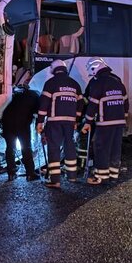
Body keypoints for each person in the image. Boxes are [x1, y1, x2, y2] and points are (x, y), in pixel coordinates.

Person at [36, 59, 83, 188]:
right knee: (70, 147)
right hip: (70, 123)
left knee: (54, 149)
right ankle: (72, 176)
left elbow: (43, 105)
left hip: (54, 122)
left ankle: (55, 180)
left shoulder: (50, 83)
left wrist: (39, 121)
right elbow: (80, 104)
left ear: (53, 70)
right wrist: (76, 120)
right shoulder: (75, 84)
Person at [81, 58, 128, 185]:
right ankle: (114, 176)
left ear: (95, 68)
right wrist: (124, 118)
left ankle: (101, 177)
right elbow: (125, 101)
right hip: (119, 123)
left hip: (105, 123)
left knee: (101, 148)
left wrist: (87, 123)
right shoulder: (117, 81)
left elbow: (92, 105)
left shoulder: (98, 83)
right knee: (115, 149)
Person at [0, 86, 40, 181]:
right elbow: (39, 112)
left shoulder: (18, 95)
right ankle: (30, 174)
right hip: (22, 123)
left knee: (10, 148)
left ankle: (11, 174)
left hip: (7, 121)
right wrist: (39, 125)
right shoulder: (36, 96)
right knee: (26, 147)